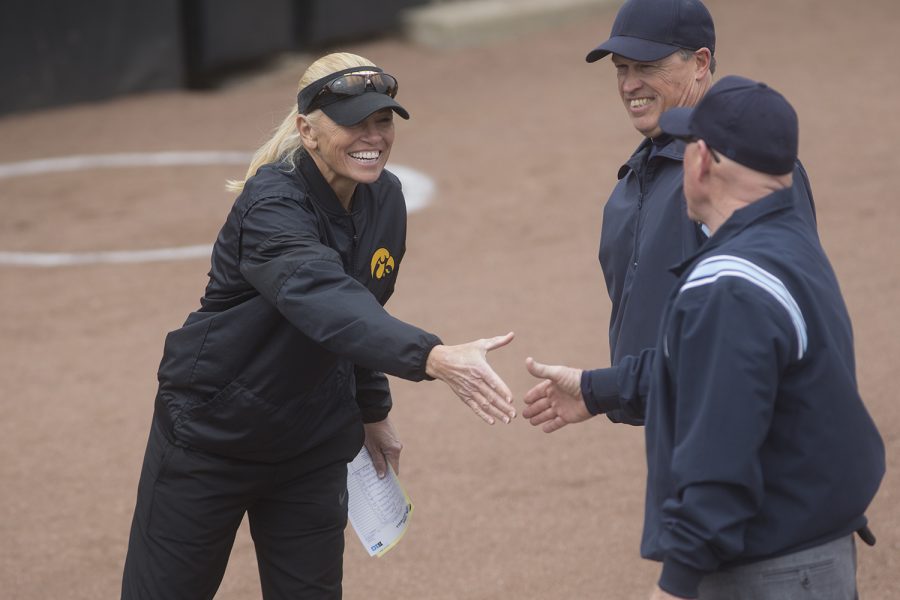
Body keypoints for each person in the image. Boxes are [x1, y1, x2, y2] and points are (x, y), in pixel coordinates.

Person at [121, 52, 517, 600]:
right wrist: (433, 356)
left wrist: (371, 410)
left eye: (383, 120)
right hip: (212, 439)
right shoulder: (271, 205)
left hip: (311, 445)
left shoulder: (385, 198)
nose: (373, 137)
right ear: (307, 129)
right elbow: (323, 299)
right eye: (354, 122)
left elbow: (363, 309)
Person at [524, 76, 885, 599]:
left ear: (702, 162)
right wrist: (597, 388)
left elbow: (722, 459)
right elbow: (716, 368)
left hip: (769, 569)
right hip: (812, 549)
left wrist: (675, 584)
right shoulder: (787, 243)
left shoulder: (729, 287)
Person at [537, 0, 817, 427]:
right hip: (675, 418)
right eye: (621, 68)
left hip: (751, 426)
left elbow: (774, 323)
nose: (630, 84)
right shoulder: (631, 186)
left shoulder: (738, 169)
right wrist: (616, 390)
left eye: (646, 66)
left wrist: (606, 388)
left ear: (700, 62)